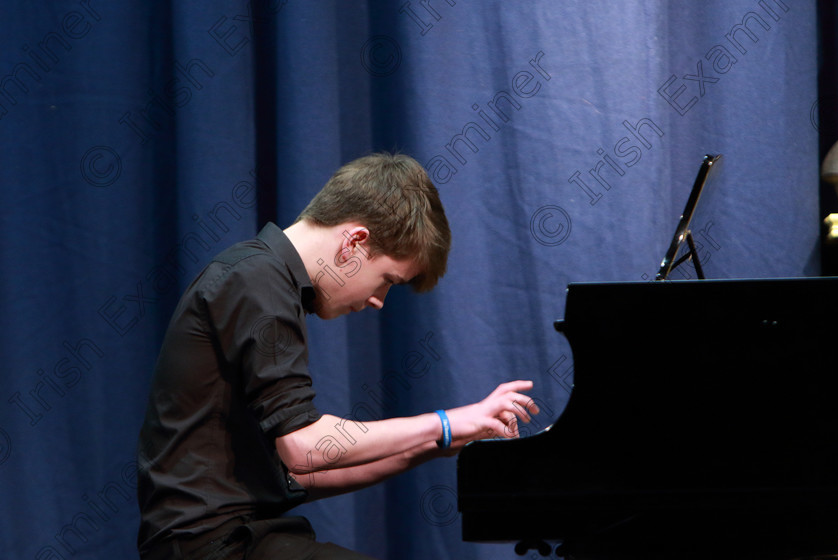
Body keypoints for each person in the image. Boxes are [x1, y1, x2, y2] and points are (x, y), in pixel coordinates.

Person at [136, 152, 538, 559]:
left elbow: (297, 473)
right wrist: (444, 422)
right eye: (387, 280)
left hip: (241, 535)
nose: (380, 300)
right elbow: (304, 447)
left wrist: (438, 441)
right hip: (208, 545)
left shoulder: (268, 282)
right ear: (354, 242)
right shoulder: (257, 281)